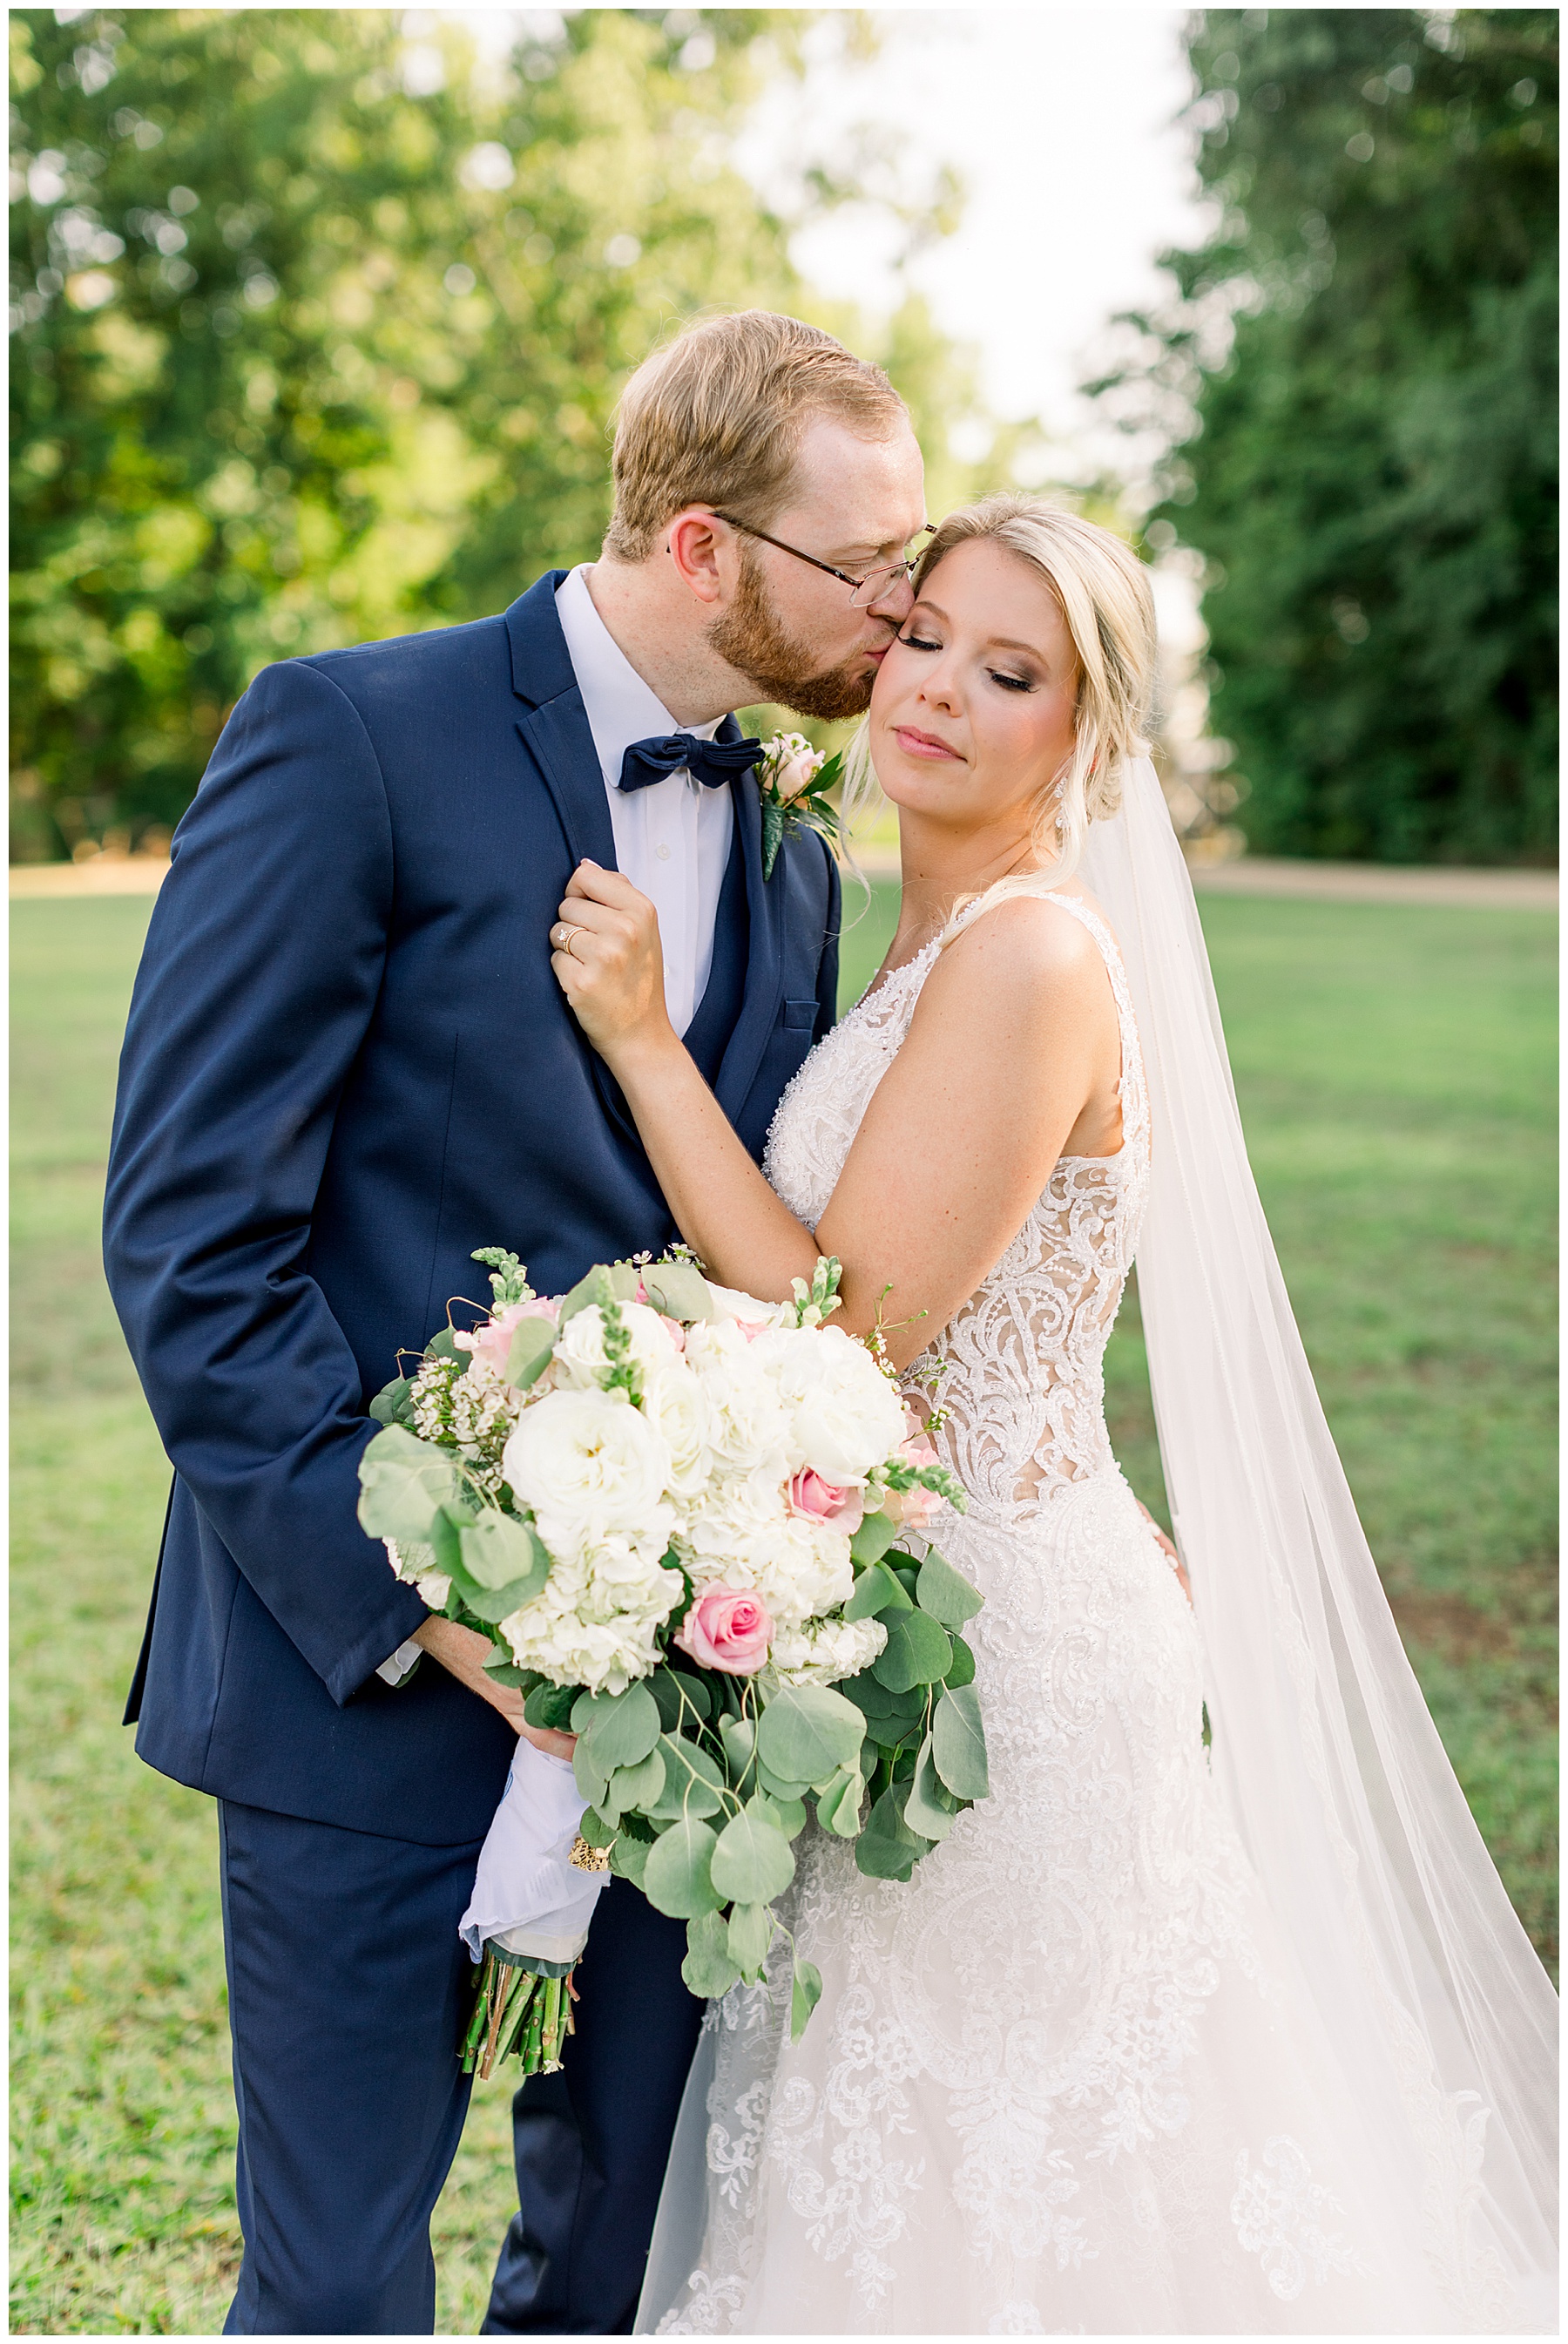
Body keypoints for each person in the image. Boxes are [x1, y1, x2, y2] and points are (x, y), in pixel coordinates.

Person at [546, 494, 1558, 2334]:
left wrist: (640, 1043)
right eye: (924, 637)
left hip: (1009, 1666)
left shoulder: (1033, 956)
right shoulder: (923, 944)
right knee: (907, 2161)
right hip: (914, 1626)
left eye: (1009, 672)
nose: (936, 689)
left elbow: (849, 1324)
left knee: (1029, 2174)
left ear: (1085, 739)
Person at [101, 308, 929, 2336]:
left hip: (686, 1709)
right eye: (867, 564)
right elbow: (195, 1235)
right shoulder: (351, 732)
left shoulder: (798, 848)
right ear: (709, 549)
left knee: (622, 2272)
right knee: (338, 2292)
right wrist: (433, 1615)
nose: (903, 615)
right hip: (360, 1684)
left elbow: (758, 1255)